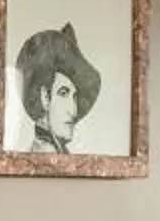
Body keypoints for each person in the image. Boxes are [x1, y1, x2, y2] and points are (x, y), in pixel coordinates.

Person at [15, 22, 101, 152]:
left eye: (75, 97)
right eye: (63, 93)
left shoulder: (58, 152)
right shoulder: (44, 153)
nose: (73, 111)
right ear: (45, 97)